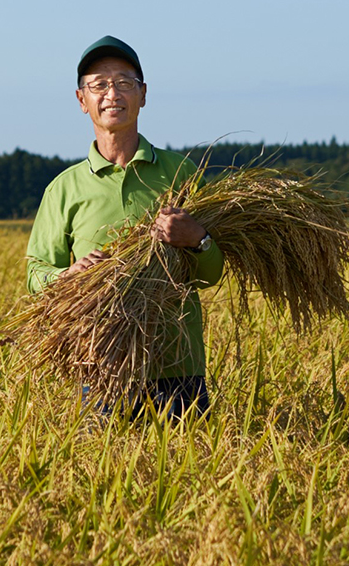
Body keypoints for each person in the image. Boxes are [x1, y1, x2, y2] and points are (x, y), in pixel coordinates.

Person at [26, 36, 224, 418]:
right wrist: (68, 276)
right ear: (82, 101)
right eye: (98, 84)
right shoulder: (64, 188)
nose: (112, 93)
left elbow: (212, 273)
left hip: (177, 367)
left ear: (143, 94)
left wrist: (197, 240)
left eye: (124, 83)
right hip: (100, 367)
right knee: (100, 473)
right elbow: (36, 273)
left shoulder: (181, 174)